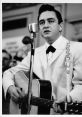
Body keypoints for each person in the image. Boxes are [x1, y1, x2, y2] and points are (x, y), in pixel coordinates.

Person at [2, 4, 82, 114]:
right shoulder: (34, 54)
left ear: (60, 26)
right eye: (42, 22)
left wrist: (70, 98)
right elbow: (8, 73)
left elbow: (81, 84)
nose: (45, 25)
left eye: (51, 21)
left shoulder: (78, 48)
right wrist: (11, 88)